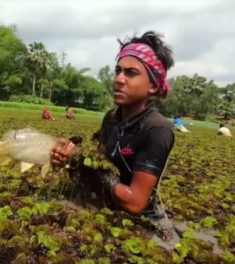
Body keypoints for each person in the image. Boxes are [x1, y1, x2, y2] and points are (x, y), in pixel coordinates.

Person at [51, 31, 175, 220]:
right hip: (104, 206)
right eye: (118, 71)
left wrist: (83, 164)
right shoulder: (111, 118)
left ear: (153, 86)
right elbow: (101, 164)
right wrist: (68, 161)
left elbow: (135, 203)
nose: (119, 79)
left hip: (140, 221)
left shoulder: (157, 129)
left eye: (131, 73)